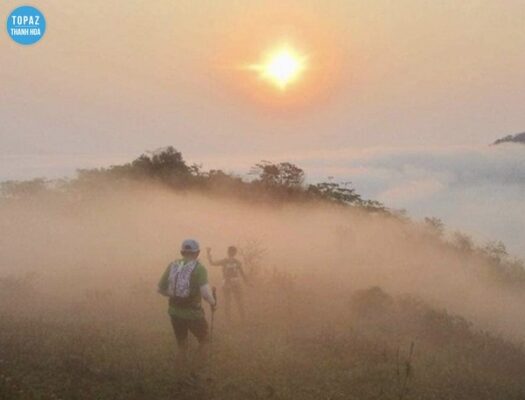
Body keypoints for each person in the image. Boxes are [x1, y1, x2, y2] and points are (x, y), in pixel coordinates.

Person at [158, 239, 216, 363]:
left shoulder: (172, 265)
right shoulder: (199, 268)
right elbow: (205, 293)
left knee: (182, 345)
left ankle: (181, 372)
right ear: (198, 253)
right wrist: (213, 303)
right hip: (193, 313)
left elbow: (160, 289)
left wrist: (175, 295)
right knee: (205, 340)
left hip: (174, 312)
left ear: (181, 252)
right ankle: (197, 367)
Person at [206, 246, 248, 323]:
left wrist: (208, 254)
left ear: (228, 252)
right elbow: (242, 274)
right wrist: (247, 282)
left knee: (229, 302)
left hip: (228, 283)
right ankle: (241, 319)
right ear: (235, 253)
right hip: (232, 283)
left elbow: (212, 263)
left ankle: (232, 320)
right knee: (236, 301)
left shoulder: (227, 261)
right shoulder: (236, 262)